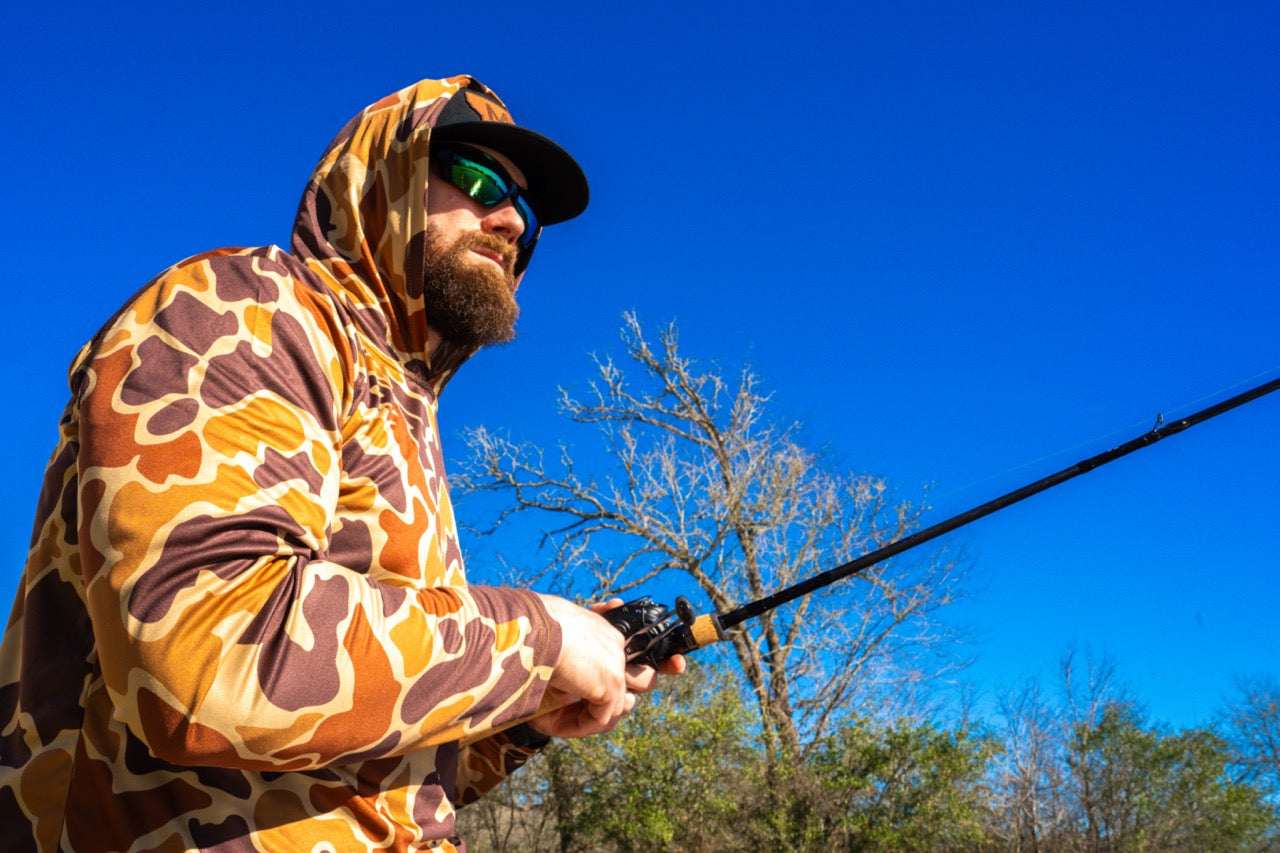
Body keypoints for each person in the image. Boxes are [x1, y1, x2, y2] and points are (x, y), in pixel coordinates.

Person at [0, 75, 682, 852]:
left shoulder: (405, 417)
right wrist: (541, 638)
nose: (507, 222)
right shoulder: (245, 311)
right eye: (478, 180)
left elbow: (373, 771)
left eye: (524, 214)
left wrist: (530, 711)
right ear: (385, 178)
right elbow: (206, 660)